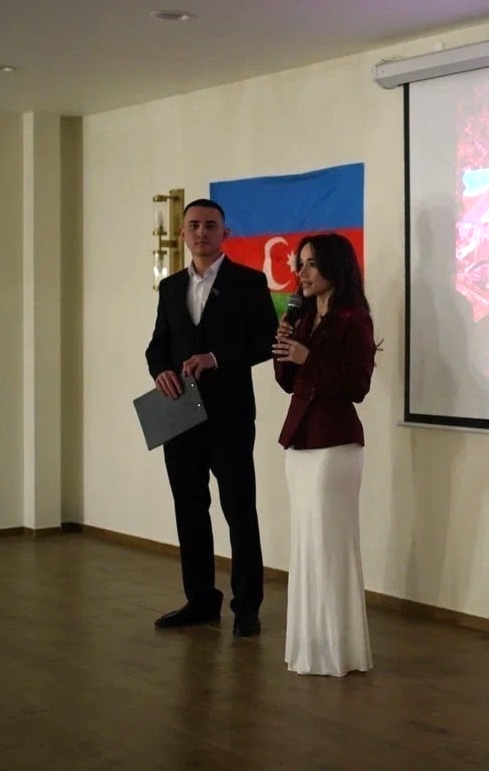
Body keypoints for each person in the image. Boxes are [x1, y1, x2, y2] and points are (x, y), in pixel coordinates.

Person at [145, 198, 278, 637]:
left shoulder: (249, 282)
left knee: (239, 510)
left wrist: (216, 357)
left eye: (210, 225)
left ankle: (247, 606)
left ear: (225, 233)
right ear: (183, 233)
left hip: (230, 415)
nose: (201, 232)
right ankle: (200, 599)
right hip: (179, 413)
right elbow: (157, 346)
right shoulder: (170, 288)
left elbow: (266, 341)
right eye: (194, 225)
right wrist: (160, 371)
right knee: (189, 510)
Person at [273, 233, 378, 677]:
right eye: (300, 264)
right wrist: (285, 350)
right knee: (306, 545)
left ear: (334, 266)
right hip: (300, 440)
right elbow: (288, 382)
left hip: (335, 443)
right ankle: (310, 646)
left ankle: (339, 650)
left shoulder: (355, 319)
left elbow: (357, 386)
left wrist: (308, 357)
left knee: (329, 546)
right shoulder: (301, 316)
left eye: (311, 264)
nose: (302, 272)